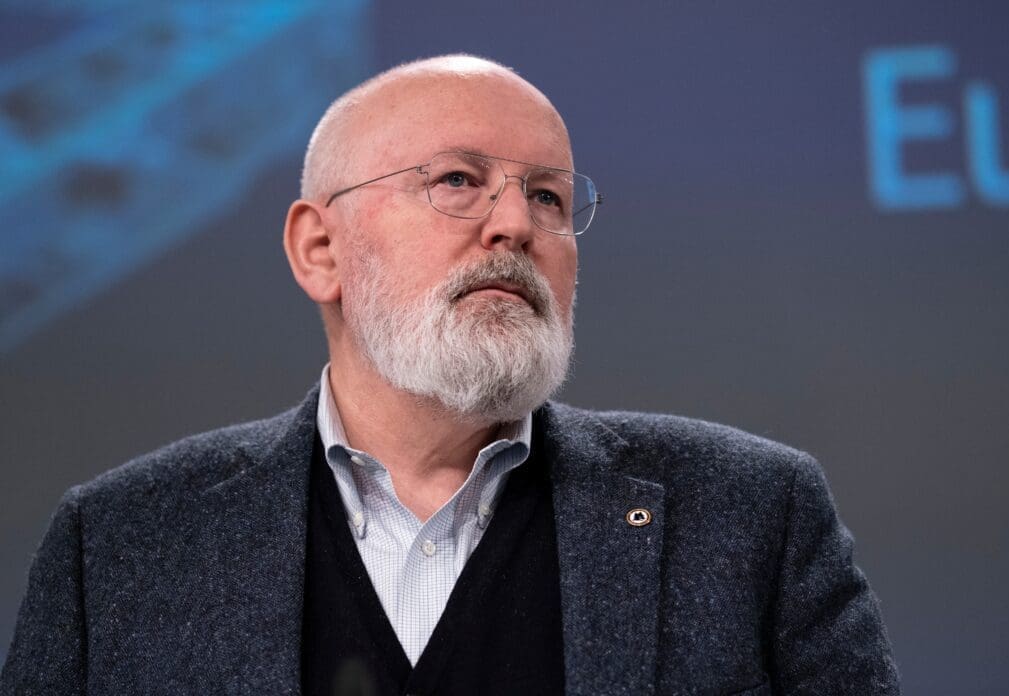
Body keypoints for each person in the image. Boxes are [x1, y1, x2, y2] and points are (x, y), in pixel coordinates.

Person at [1, 55, 900, 695]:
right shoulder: (115, 546)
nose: (516, 225)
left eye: (547, 196)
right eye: (459, 180)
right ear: (320, 250)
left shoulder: (754, 514)